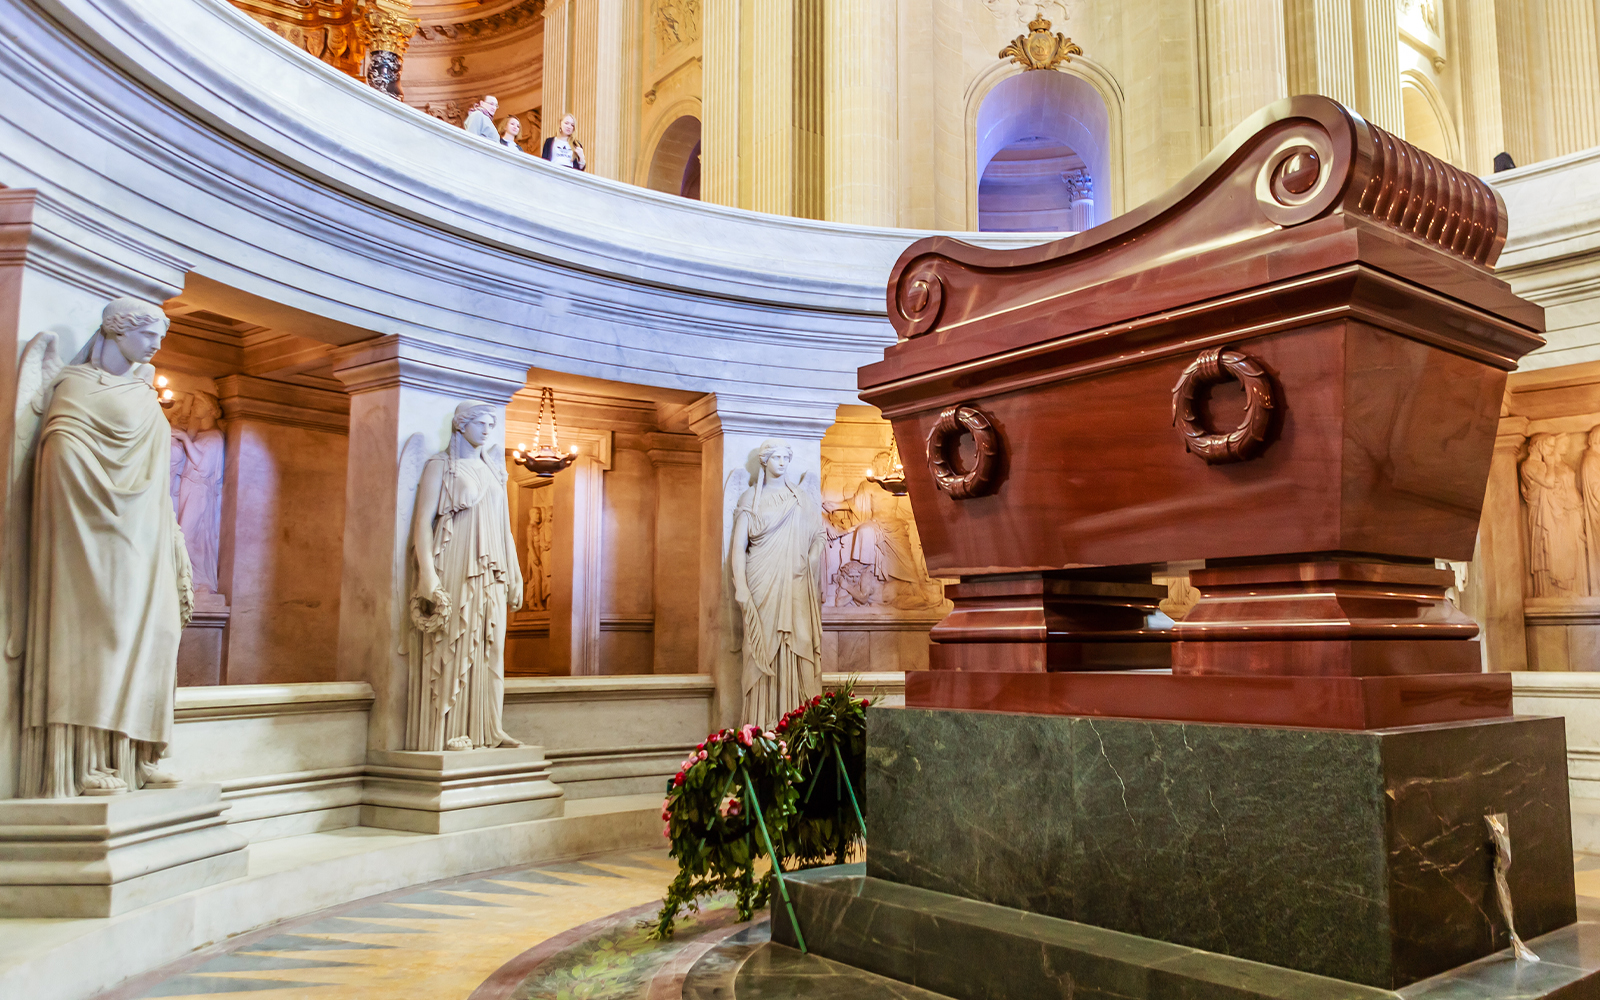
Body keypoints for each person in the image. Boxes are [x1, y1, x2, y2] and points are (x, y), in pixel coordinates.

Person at [15, 297, 191, 797]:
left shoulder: (143, 392)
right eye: (149, 333)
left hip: (149, 535)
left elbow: (160, 478)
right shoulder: (75, 386)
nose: (158, 344)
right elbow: (59, 452)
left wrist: (171, 535)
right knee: (101, 636)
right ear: (116, 331)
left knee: (160, 635)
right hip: (92, 530)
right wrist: (109, 505)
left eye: (161, 335)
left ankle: (141, 752)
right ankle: (88, 761)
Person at [406, 401, 524, 751]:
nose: (488, 430)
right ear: (461, 426)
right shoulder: (440, 467)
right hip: (457, 562)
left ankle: (491, 728)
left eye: (492, 424)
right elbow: (422, 526)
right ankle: (450, 732)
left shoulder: (492, 470)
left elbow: (505, 528)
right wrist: (427, 575)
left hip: (493, 567)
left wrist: (515, 573)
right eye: (481, 423)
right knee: (458, 641)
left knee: (494, 647)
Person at [729, 440, 824, 729]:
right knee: (760, 649)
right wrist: (741, 588)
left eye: (786, 457)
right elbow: (737, 549)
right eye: (777, 457)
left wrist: (811, 557)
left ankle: (795, 723)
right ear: (764, 461)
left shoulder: (800, 499)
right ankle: (761, 725)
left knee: (798, 643)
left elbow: (819, 535)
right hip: (762, 580)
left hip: (795, 581)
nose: (782, 463)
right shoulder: (750, 499)